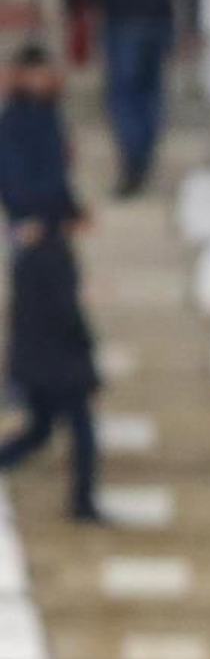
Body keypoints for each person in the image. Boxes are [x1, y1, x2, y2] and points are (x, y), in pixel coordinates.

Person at [66, 0, 198, 196]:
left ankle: (136, 159)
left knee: (127, 94)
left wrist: (77, 8)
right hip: (150, 17)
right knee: (146, 91)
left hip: (127, 19)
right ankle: (140, 157)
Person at [0, 218, 102, 522]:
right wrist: (87, 355)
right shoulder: (54, 256)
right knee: (80, 432)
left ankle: (83, 503)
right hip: (61, 368)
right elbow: (66, 314)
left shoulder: (27, 259)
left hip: (36, 366)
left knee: (39, 430)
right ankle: (83, 503)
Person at [0, 47, 79, 231]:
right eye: (36, 74)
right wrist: (25, 214)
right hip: (30, 220)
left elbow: (55, 169)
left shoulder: (50, 116)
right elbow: (12, 172)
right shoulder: (15, 119)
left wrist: (71, 209)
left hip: (51, 216)